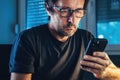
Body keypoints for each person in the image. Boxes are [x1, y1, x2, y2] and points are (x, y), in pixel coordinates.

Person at [9, 0, 120, 80]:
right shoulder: (28, 39)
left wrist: (109, 73)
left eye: (78, 11)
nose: (72, 19)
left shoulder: (86, 38)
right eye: (65, 10)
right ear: (48, 8)